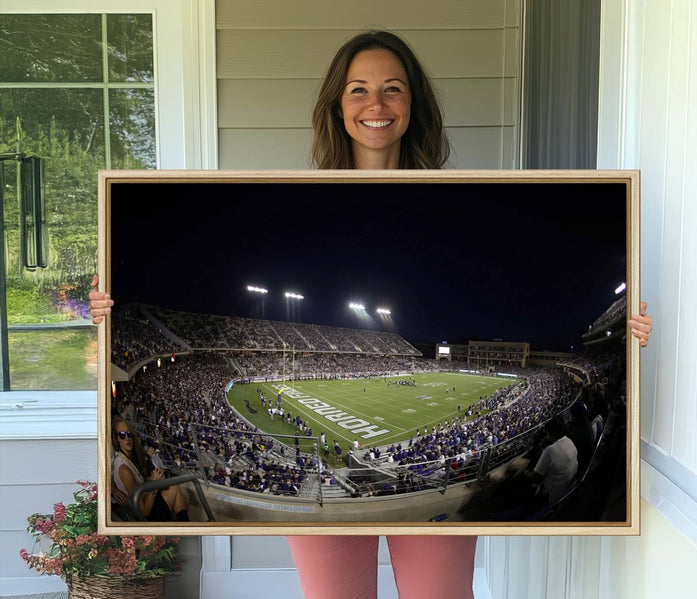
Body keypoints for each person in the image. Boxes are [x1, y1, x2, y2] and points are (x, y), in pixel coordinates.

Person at [90, 29, 654, 599]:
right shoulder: (300, 202)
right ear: (338, 105)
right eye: (358, 89)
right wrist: (107, 311)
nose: (375, 105)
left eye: (393, 89)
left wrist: (625, 334)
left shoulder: (449, 201)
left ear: (413, 105)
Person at [111, 417, 189, 521]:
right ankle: (186, 528)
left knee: (175, 489)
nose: (127, 438)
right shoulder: (123, 469)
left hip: (147, 503)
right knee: (175, 490)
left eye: (129, 434)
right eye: (122, 435)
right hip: (144, 516)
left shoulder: (128, 460)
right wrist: (154, 484)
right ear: (116, 439)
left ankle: (185, 527)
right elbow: (144, 511)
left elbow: (141, 479)